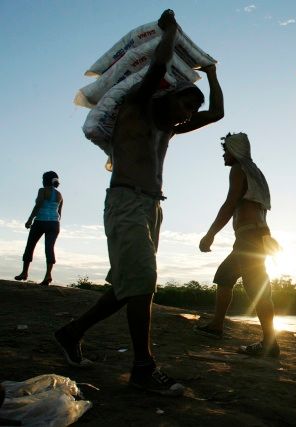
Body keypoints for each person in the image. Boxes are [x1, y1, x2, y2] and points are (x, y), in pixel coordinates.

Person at [54, 9, 224, 397]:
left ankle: (70, 332)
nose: (188, 114)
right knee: (143, 281)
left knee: (127, 285)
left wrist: (212, 74)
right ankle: (143, 367)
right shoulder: (137, 107)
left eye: (190, 110)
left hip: (151, 208)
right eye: (185, 104)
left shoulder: (169, 130)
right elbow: (159, 64)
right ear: (169, 93)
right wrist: (169, 32)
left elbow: (217, 113)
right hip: (125, 202)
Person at [197, 132, 280, 357]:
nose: (223, 155)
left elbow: (230, 204)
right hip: (255, 236)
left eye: (226, 150)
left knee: (257, 287)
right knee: (224, 276)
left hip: (249, 238)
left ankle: (270, 343)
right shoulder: (255, 171)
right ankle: (216, 326)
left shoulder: (239, 169)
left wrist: (210, 234)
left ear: (234, 151)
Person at [15, 171, 63, 286]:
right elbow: (60, 213)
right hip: (54, 224)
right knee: (49, 248)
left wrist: (30, 219)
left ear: (45, 180)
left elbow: (38, 204)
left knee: (30, 245)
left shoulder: (42, 190)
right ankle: (48, 275)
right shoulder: (60, 194)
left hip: (40, 221)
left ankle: (24, 273)